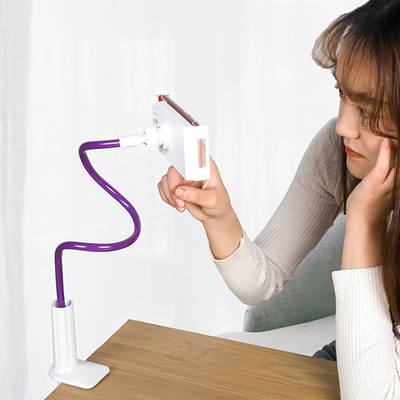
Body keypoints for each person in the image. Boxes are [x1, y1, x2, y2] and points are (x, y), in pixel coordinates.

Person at [157, 1, 400, 398]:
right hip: (365, 349)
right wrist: (220, 216)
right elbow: (261, 283)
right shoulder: (336, 151)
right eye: (341, 93)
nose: (343, 126)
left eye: (368, 110)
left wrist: (364, 222)